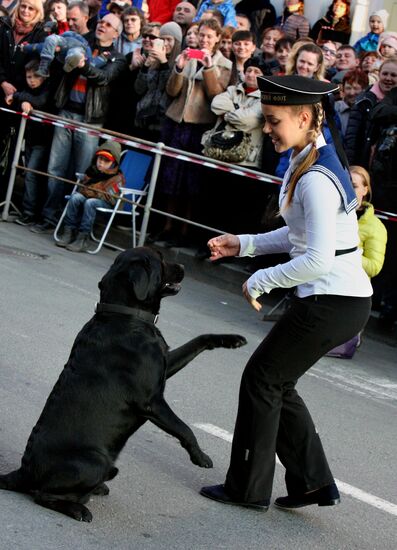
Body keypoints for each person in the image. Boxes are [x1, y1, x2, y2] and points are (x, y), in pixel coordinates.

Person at [199, 74, 372, 511]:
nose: (268, 129)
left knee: (262, 379)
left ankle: (247, 488)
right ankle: (312, 482)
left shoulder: (314, 176)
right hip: (337, 301)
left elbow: (317, 259)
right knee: (276, 382)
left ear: (303, 117)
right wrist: (246, 243)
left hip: (332, 301)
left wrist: (260, 279)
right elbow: (301, 235)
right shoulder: (311, 159)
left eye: (274, 121)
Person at [30, 13, 126, 233]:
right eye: (101, 22)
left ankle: (70, 223)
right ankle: (49, 217)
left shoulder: (118, 58)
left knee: (83, 173)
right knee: (55, 168)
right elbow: (62, 59)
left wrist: (81, 65)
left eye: (108, 24)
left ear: (116, 33)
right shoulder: (82, 42)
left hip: (91, 120)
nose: (102, 25)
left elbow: (103, 78)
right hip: (66, 112)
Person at [153, 17, 232, 246]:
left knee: (191, 181)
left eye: (209, 36)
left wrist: (209, 67)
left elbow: (215, 95)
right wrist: (178, 67)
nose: (204, 40)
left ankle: (184, 231)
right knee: (170, 177)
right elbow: (171, 91)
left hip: (200, 125)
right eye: (202, 35)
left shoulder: (224, 64)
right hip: (177, 121)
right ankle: (167, 226)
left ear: (217, 38)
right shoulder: (188, 56)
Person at [55, 140, 125, 252]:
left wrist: (92, 191)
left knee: (90, 202)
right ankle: (69, 231)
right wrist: (90, 191)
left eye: (106, 160)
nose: (101, 162)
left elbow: (109, 198)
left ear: (113, 163)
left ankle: (83, 238)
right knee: (75, 197)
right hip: (89, 197)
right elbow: (83, 189)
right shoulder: (92, 171)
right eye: (100, 158)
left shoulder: (117, 178)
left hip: (108, 204)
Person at [8, 59, 52, 226]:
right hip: (31, 136)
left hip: (43, 138)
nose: (31, 80)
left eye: (36, 77)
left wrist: (20, 96)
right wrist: (23, 98)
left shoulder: (47, 89)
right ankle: (29, 210)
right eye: (29, 77)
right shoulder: (28, 89)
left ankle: (30, 212)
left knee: (32, 174)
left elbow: (40, 101)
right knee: (29, 173)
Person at [344, 57, 397, 167]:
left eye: (393, 75)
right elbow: (352, 139)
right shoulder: (363, 100)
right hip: (363, 163)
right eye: (385, 74)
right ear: (379, 75)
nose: (388, 78)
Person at [134, 21, 182, 141]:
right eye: (162, 39)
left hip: (162, 123)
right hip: (143, 118)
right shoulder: (152, 58)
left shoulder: (181, 62)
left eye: (169, 40)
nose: (165, 44)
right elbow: (139, 89)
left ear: (176, 42)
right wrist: (145, 66)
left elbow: (171, 90)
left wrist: (164, 62)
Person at [20, 30, 93, 78]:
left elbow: (38, 47)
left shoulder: (80, 42)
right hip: (64, 43)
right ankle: (44, 67)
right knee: (50, 39)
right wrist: (26, 47)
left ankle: (70, 63)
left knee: (75, 53)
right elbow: (38, 46)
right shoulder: (57, 40)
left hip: (79, 48)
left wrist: (88, 59)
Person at [334, 69, 368, 137]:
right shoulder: (334, 108)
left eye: (356, 88)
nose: (352, 93)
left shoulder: (368, 111)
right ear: (343, 89)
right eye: (348, 88)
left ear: (364, 90)